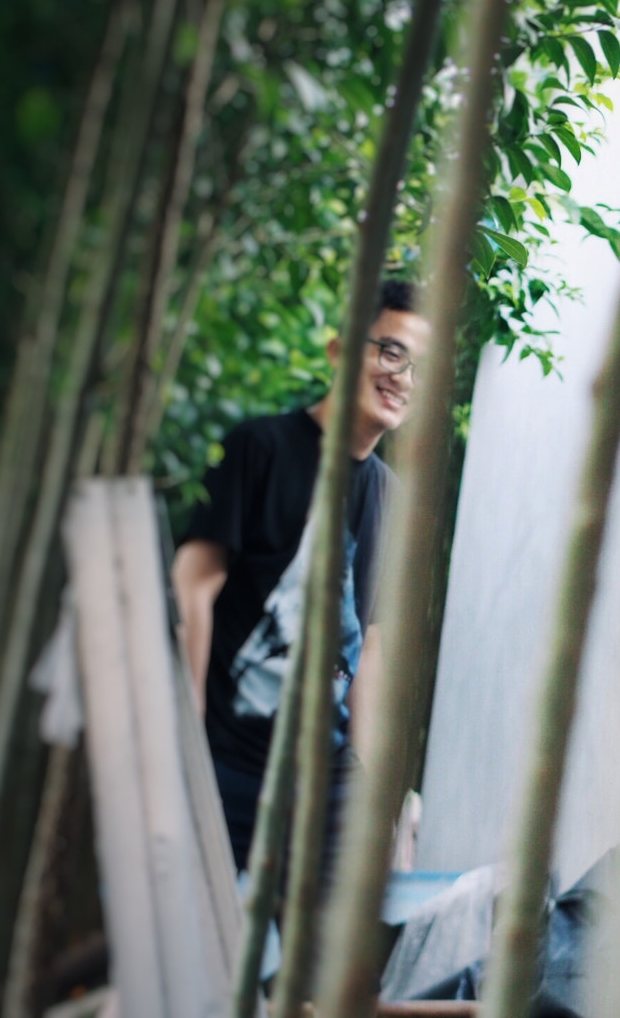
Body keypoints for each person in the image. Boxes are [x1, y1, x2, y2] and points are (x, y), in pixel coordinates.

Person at [171, 279, 429, 874]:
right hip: (231, 761)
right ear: (341, 351)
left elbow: (370, 647)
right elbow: (193, 589)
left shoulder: (392, 500)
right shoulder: (259, 449)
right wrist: (184, 741)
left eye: (421, 367)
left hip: (328, 785)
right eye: (392, 352)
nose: (404, 378)